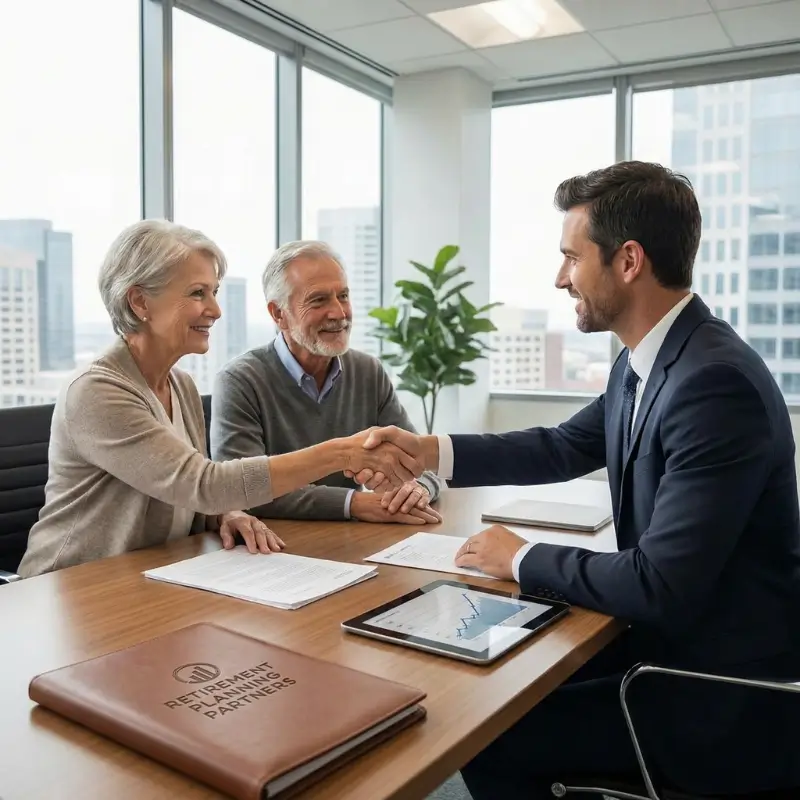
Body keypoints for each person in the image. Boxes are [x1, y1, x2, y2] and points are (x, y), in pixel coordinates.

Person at [352, 162, 800, 797]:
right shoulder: (649, 359)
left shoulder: (712, 383)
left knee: (487, 737)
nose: (561, 278)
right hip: (670, 647)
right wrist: (428, 450)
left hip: (713, 696)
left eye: (571, 257)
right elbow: (563, 446)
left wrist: (523, 556)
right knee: (497, 681)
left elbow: (659, 583)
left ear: (628, 261)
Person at [17, 221, 421, 578]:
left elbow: (184, 492)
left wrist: (225, 514)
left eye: (213, 292)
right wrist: (340, 454)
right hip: (68, 589)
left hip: (148, 576)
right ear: (139, 302)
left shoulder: (181, 385)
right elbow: (205, 483)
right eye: (197, 293)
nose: (215, 309)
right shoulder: (97, 391)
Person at [210, 240, 443, 525]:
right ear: (278, 314)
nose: (339, 313)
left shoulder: (367, 371)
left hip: (349, 544)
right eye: (318, 300)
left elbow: (419, 460)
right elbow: (240, 490)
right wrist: (353, 504)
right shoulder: (239, 381)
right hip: (276, 550)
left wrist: (416, 490)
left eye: (343, 296)